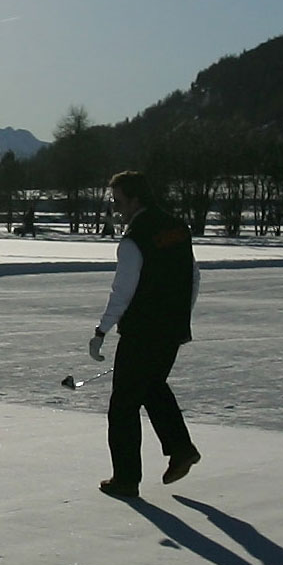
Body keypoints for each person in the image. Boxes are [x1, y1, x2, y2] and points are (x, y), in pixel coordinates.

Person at [89, 170, 198, 498]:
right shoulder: (177, 228)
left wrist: (101, 330)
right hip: (172, 329)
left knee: (123, 405)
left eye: (118, 200)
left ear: (135, 198)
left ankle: (126, 479)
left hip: (142, 331)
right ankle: (181, 449)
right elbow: (193, 276)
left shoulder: (134, 238)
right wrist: (182, 316)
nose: (116, 207)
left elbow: (122, 291)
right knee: (152, 387)